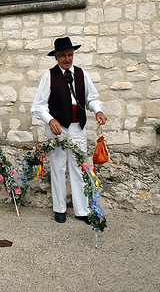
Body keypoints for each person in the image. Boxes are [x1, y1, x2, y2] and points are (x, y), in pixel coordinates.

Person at [31, 37, 107, 224]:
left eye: (70, 55)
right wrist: (50, 120)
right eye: (63, 55)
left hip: (77, 127)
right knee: (57, 166)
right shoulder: (48, 76)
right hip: (58, 128)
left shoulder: (81, 74)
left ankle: (82, 210)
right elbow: (38, 106)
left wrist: (97, 110)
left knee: (79, 166)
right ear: (56, 57)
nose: (67, 59)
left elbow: (91, 98)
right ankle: (60, 208)